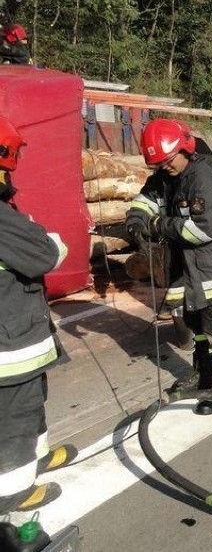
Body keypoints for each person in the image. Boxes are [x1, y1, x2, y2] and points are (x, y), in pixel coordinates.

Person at [125, 118, 212, 415]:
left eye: (168, 161)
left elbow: (202, 231)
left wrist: (158, 224)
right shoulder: (165, 176)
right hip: (187, 272)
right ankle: (202, 375)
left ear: (185, 149)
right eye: (159, 165)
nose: (165, 168)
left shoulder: (206, 179)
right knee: (196, 326)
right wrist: (137, 220)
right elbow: (145, 200)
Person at [0, 114, 77, 514]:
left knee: (32, 400)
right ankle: (12, 491)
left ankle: (39, 453)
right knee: (16, 413)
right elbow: (46, 253)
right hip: (8, 343)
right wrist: (44, 236)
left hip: (13, 332)